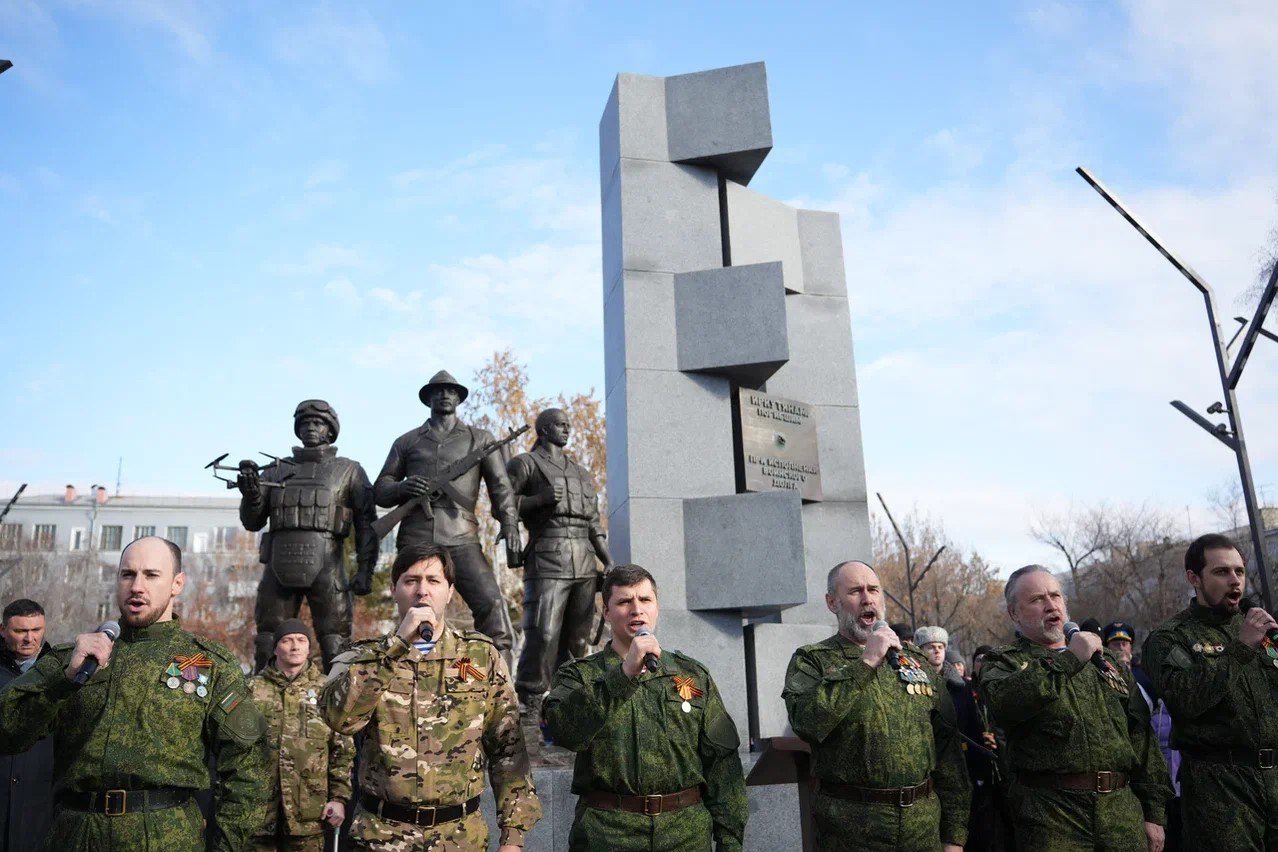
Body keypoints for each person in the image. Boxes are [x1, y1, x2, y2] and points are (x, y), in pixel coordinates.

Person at [0, 536, 268, 850]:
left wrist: (226, 846)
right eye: (128, 574)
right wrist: (64, 679)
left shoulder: (206, 663)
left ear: (176, 584)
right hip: (76, 834)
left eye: (151, 575)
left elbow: (249, 765)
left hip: (165, 836)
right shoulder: (73, 658)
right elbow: (7, 730)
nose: (137, 586)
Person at [320, 542, 540, 851]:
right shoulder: (361, 656)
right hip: (380, 839)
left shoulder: (479, 656)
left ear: (450, 592)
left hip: (460, 839)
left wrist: (514, 838)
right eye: (411, 581)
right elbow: (339, 719)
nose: (422, 591)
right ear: (395, 590)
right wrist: (395, 647)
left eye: (434, 581)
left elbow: (508, 749)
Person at [543, 564, 746, 852]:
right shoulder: (580, 675)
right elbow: (566, 731)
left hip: (685, 834)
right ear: (606, 611)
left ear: (656, 608)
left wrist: (730, 842)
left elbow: (723, 766)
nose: (636, 610)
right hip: (609, 834)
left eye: (645, 600)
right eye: (625, 601)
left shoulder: (691, 675)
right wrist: (623, 674)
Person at [978, 564, 1170, 852]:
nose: (1050, 605)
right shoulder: (1003, 662)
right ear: (1014, 613)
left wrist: (1154, 812)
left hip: (1121, 813)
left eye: (1055, 596)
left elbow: (1140, 737)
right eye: (1037, 599)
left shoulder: (1106, 664)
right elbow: (1006, 703)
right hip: (1052, 818)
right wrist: (1070, 658)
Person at [782, 561, 970, 851]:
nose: (867, 599)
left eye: (873, 590)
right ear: (833, 602)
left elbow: (947, 751)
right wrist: (866, 662)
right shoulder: (812, 660)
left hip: (922, 827)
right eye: (855, 591)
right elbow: (808, 722)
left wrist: (954, 837)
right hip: (852, 830)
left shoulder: (916, 660)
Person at [1142, 533, 1278, 851]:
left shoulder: (1263, 632)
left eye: (1239, 572)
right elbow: (1187, 699)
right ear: (1195, 578)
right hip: (1220, 789)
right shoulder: (1170, 638)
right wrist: (1240, 648)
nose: (1235, 581)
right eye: (1221, 572)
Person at [374, 370, 522, 657]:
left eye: (451, 391)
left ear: (459, 398)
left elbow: (501, 488)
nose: (445, 395)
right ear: (428, 398)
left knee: (492, 605)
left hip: (462, 536)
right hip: (416, 536)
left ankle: (498, 687)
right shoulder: (407, 441)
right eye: (438, 391)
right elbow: (381, 489)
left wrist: (510, 525)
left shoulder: (479, 439)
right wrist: (404, 487)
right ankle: (411, 680)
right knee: (415, 612)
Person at [238, 399, 378, 671]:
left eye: (318, 423)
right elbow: (252, 521)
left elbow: (366, 524)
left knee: (336, 640)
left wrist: (365, 571)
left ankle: (339, 703)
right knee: (268, 638)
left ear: (330, 430)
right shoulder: (276, 469)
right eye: (304, 423)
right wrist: (252, 493)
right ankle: (261, 702)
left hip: (327, 567)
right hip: (279, 565)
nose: (310, 428)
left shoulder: (349, 470)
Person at [507, 407, 613, 720]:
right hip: (547, 555)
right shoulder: (525, 463)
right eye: (559, 424)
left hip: (584, 558)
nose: (567, 429)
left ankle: (570, 699)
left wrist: (607, 561)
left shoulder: (580, 472)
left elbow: (594, 522)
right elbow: (505, 505)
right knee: (543, 631)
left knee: (578, 638)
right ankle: (529, 697)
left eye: (569, 424)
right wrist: (538, 500)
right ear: (542, 428)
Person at [248, 618, 354, 852]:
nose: (295, 646)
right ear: (276, 648)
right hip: (257, 812)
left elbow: (342, 750)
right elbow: (234, 748)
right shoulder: (252, 690)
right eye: (287, 640)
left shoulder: (328, 690)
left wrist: (339, 799)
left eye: (301, 640)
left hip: (309, 814)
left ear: (309, 647)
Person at [0, 599, 54, 851]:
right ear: (3, 630)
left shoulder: (60, 674)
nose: (29, 638)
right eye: (20, 631)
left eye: (36, 630)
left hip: (40, 807)